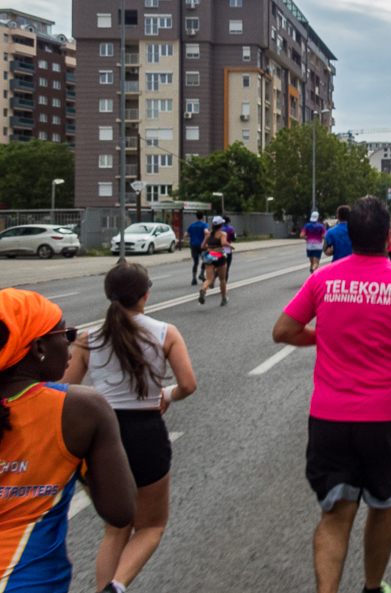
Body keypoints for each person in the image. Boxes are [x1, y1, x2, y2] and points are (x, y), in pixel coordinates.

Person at [272, 195, 391, 593]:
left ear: (347, 232)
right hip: (385, 417)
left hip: (329, 418)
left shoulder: (322, 279)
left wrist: (321, 338)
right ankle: (371, 586)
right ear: (388, 236)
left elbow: (282, 331)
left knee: (335, 516)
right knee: (382, 504)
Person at [62, 264, 197, 593]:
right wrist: (165, 395)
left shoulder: (87, 340)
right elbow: (188, 385)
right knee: (151, 526)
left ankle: (104, 589)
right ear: (146, 294)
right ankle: (117, 586)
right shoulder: (166, 333)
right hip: (145, 434)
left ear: (109, 296)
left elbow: (63, 392)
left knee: (115, 527)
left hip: (99, 439)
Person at [0, 288, 136, 593]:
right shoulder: (78, 409)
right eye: (67, 333)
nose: (72, 342)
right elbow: (120, 511)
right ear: (38, 348)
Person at [198, 216, 232, 306]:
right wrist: (231, 246)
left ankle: (204, 289)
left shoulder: (208, 234)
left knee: (209, 278)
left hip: (209, 255)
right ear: (221, 225)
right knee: (222, 279)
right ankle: (224, 299)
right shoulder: (222, 234)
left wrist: (210, 248)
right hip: (219, 255)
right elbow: (224, 243)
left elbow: (202, 246)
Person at [186, 212, 209, 286]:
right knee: (205, 260)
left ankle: (194, 279)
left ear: (196, 217)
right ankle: (202, 274)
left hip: (193, 245)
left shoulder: (192, 225)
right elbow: (206, 231)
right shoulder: (204, 224)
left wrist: (193, 236)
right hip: (202, 245)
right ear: (203, 217)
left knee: (195, 262)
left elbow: (186, 234)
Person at [221, 216, 237, 282]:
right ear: (228, 222)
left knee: (219, 266)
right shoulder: (230, 228)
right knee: (226, 268)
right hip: (227, 249)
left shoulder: (219, 228)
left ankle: (214, 276)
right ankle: (224, 285)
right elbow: (233, 238)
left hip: (219, 249)